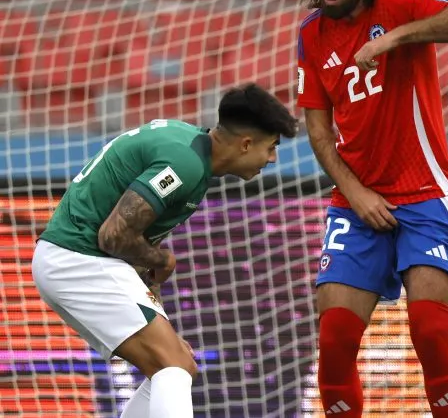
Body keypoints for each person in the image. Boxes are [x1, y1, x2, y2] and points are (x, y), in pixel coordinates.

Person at [297, 0, 448, 418]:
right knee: (334, 341)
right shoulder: (311, 34)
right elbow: (318, 131)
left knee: (430, 330)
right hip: (355, 202)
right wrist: (356, 193)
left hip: (424, 195)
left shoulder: (400, 1)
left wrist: (395, 39)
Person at [32, 84, 299, 418]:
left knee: (179, 365)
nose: (272, 159)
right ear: (246, 144)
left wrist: (152, 279)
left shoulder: (190, 148)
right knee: (172, 365)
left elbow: (132, 236)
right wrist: (163, 259)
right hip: (78, 260)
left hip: (78, 261)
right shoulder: (185, 163)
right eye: (271, 147)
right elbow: (113, 236)